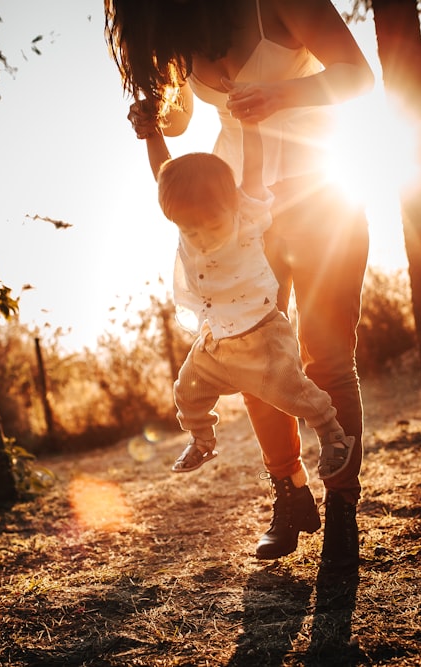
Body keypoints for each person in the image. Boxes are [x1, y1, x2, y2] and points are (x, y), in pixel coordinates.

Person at [106, 0, 374, 574]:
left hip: (320, 191)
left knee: (327, 360)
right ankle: (290, 492)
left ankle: (342, 508)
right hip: (239, 209)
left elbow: (358, 76)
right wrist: (151, 118)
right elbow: (180, 118)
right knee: (248, 347)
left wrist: (281, 96)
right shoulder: (184, 25)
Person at [151, 117, 356, 500]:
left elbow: (254, 168)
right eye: (188, 228)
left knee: (294, 394)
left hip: (261, 334)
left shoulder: (246, 217)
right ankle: (203, 439)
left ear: (232, 205)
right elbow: (163, 175)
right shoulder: (189, 225)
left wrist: (250, 126)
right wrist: (151, 133)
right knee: (186, 392)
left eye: (208, 225)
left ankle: (333, 435)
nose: (198, 236)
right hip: (216, 341)